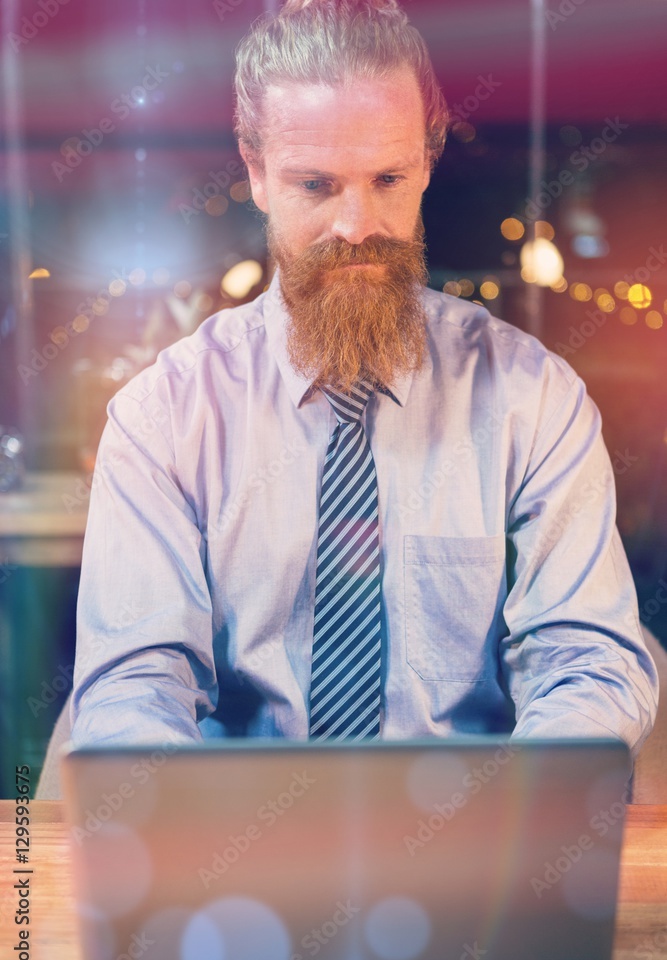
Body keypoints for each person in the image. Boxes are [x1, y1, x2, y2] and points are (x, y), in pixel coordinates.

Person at [70, 0, 658, 755]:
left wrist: (536, 804)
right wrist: (170, 818)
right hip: (235, 847)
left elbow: (585, 659)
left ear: (425, 164)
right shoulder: (165, 416)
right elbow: (134, 683)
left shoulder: (532, 398)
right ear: (255, 172)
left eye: (386, 179)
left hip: (470, 837)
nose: (356, 226)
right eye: (315, 186)